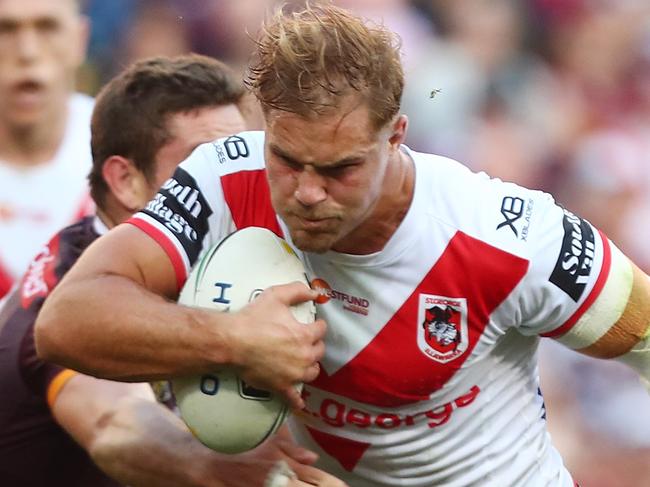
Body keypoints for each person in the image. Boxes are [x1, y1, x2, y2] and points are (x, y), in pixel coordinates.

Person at [35, 4, 650, 486]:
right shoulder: (224, 178)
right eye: (286, 158)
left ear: (396, 135)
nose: (305, 193)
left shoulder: (509, 237)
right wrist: (233, 339)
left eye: (338, 170)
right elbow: (66, 321)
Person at [1, 53, 342, 487]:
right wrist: (245, 475)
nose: (229, 181)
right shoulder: (72, 293)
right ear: (125, 180)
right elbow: (116, 426)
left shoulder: (226, 265)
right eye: (204, 163)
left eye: (239, 159)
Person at [0, 0, 94, 299]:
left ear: (80, 39)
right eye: (5, 29)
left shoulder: (126, 149)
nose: (27, 51)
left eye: (47, 27)